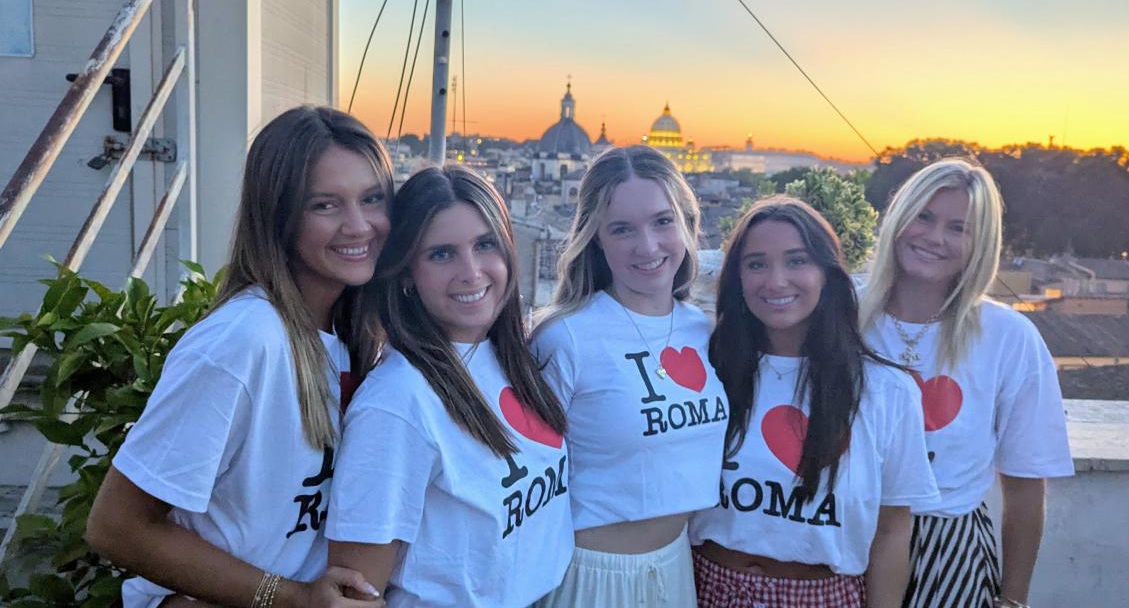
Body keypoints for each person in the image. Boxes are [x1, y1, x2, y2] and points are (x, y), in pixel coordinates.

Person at [85, 105, 394, 608]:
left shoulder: (353, 335)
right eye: (325, 205)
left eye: (372, 198)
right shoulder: (244, 341)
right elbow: (116, 527)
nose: (359, 226)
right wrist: (292, 597)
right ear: (278, 216)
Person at [327, 166, 573, 608]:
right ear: (406, 273)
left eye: (484, 245)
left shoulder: (509, 356)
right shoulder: (397, 403)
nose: (472, 272)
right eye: (441, 254)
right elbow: (356, 591)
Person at [691, 196, 938, 608]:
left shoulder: (886, 391)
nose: (776, 281)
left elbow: (893, 531)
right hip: (703, 590)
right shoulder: (707, 371)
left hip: (824, 596)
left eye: (796, 261)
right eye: (756, 264)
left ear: (827, 274)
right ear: (737, 278)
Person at [859, 157, 1074, 608]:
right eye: (924, 216)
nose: (934, 237)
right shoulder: (842, 316)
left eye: (959, 228)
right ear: (900, 216)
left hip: (950, 552)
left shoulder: (1008, 337)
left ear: (982, 243)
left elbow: (1025, 486)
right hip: (845, 535)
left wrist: (1013, 600)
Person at [531, 145, 727, 607]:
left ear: (686, 221)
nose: (648, 246)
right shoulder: (566, 338)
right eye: (622, 229)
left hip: (676, 569)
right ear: (595, 238)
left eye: (662, 221)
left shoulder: (706, 331)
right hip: (588, 576)